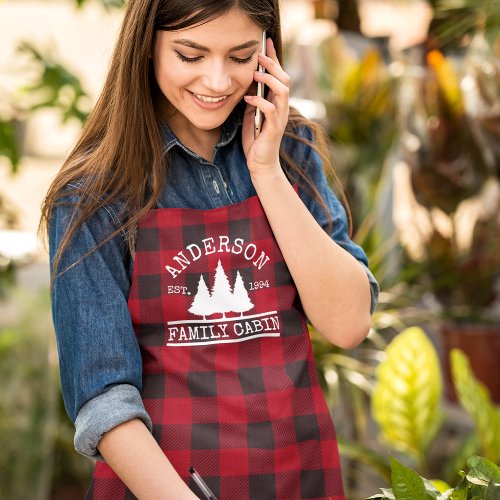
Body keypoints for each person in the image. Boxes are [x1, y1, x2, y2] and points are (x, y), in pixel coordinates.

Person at [40, 0, 379, 498]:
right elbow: (103, 399)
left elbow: (349, 323)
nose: (218, 81)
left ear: (267, 52)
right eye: (190, 55)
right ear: (146, 46)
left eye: (240, 57)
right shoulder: (93, 195)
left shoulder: (292, 150)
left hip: (297, 477)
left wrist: (266, 170)